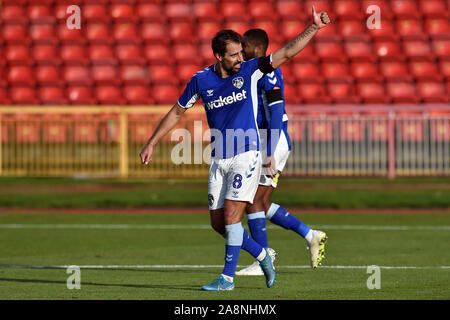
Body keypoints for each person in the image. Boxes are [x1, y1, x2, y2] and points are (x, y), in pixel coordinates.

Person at [139, 6, 330, 291]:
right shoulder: (201, 80)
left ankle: (226, 279)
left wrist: (313, 28)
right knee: (218, 224)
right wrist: (152, 141)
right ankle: (263, 254)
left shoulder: (252, 70)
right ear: (219, 56)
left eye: (242, 52)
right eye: (234, 55)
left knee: (232, 218)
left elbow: (287, 52)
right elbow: (177, 111)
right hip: (219, 157)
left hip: (247, 154)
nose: (241, 58)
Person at [235, 29, 328, 276]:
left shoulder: (268, 72)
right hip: (267, 141)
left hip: (272, 141)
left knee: (253, 202)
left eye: (244, 45)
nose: (241, 51)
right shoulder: (256, 71)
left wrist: (270, 151)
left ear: (256, 47)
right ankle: (310, 235)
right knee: (260, 204)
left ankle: (263, 259)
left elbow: (276, 112)